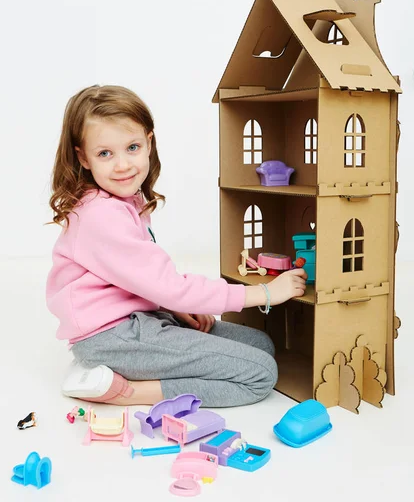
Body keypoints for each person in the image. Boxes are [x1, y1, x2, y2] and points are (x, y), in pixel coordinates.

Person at [46, 85, 307, 408]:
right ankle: (126, 391)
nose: (123, 165)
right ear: (82, 157)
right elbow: (168, 285)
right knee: (260, 374)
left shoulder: (126, 199)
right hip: (112, 336)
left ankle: (139, 369)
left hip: (140, 317)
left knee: (261, 345)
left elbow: (143, 278)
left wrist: (175, 307)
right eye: (105, 154)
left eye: (132, 147)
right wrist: (265, 293)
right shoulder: (101, 215)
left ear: (149, 143)